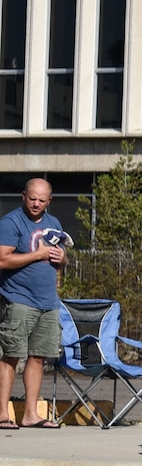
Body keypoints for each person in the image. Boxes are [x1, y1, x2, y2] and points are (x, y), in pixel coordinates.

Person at [0, 178, 68, 429]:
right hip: (18, 300)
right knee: (11, 355)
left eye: (42, 200)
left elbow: (60, 259)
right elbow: (2, 260)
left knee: (38, 357)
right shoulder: (11, 222)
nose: (36, 203)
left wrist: (62, 258)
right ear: (23, 196)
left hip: (47, 302)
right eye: (32, 198)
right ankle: (2, 414)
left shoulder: (54, 223)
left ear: (49, 201)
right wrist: (37, 254)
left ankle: (30, 415)